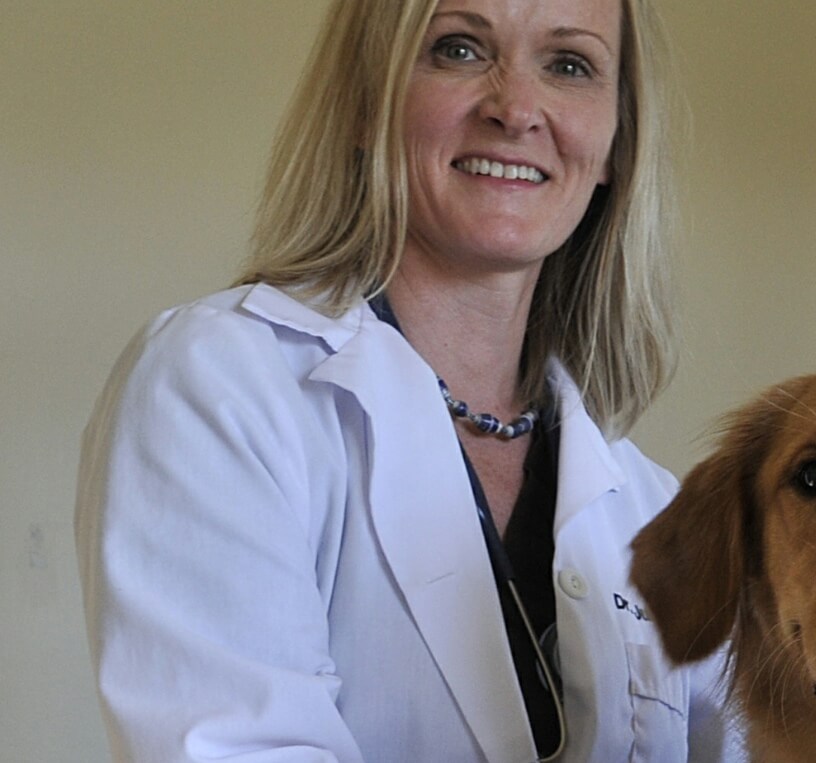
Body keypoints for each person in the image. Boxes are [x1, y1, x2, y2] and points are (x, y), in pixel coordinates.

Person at [74, 0, 742, 760]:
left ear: (617, 139)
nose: (517, 108)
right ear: (368, 101)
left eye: (569, 65)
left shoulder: (648, 500)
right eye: (458, 49)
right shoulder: (219, 387)